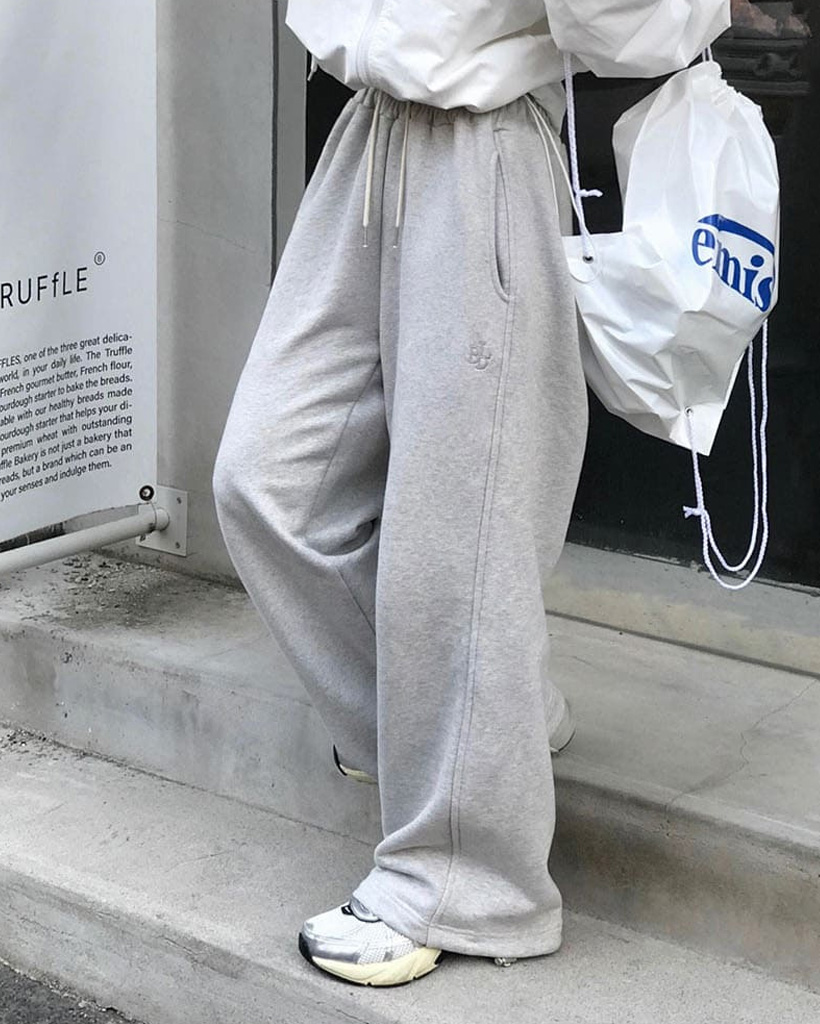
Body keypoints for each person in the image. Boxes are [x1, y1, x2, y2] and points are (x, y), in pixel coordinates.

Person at [213, 0, 731, 988]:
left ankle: (469, 883)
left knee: (460, 537)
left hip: (486, 147)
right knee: (267, 482)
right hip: (367, 134)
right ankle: (481, 732)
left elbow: (629, 23)